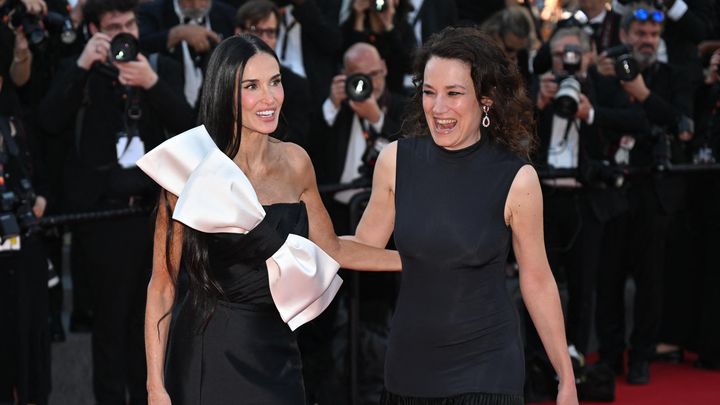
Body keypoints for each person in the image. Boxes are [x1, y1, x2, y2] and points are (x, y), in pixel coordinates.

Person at [140, 34, 401, 405]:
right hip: (210, 352)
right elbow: (162, 285)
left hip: (278, 349)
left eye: (275, 82)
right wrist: (155, 385)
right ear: (225, 91)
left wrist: (418, 259)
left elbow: (334, 249)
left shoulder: (296, 162)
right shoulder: (192, 169)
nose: (270, 98)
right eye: (252, 86)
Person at [345, 26, 578, 404]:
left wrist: (565, 378)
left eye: (454, 94)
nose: (438, 108)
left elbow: (537, 280)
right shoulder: (396, 161)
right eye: (429, 93)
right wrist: (292, 233)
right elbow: (362, 248)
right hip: (408, 368)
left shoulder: (517, 179)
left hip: (486, 370)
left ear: (485, 99)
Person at [38, 0, 194, 402]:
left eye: (131, 24)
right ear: (94, 31)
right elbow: (49, 120)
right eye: (114, 27)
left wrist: (152, 84)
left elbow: (191, 129)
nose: (126, 34)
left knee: (158, 323)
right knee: (110, 329)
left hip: (157, 217)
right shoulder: (81, 71)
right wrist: (81, 67)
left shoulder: (161, 67)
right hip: (103, 220)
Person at [234, 0, 312, 148]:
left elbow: (296, 140)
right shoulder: (220, 74)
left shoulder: (296, 85)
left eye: (270, 32)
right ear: (238, 32)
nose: (263, 39)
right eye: (256, 30)